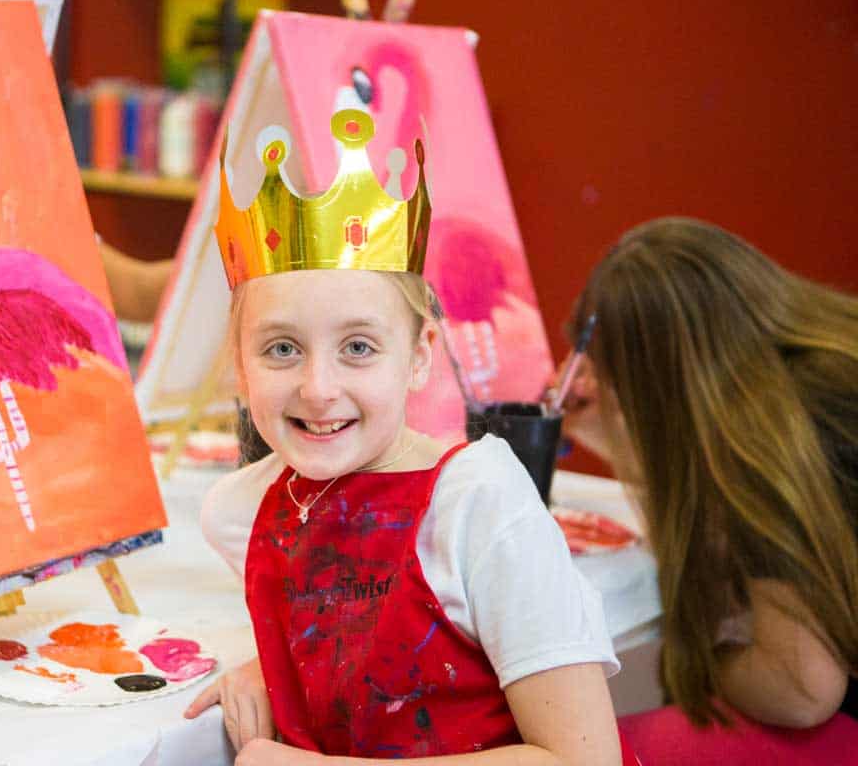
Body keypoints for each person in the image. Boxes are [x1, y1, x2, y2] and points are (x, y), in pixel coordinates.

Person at [184, 108, 631, 764]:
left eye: (359, 346)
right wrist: (269, 668)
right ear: (238, 364)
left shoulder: (478, 504)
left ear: (421, 354)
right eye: (281, 349)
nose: (318, 388)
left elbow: (583, 759)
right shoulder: (241, 514)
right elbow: (354, 651)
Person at [559, 217, 858, 761]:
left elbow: (802, 690)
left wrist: (706, 657)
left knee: (587, 751)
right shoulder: (825, 365)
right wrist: (610, 432)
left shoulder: (766, 440)